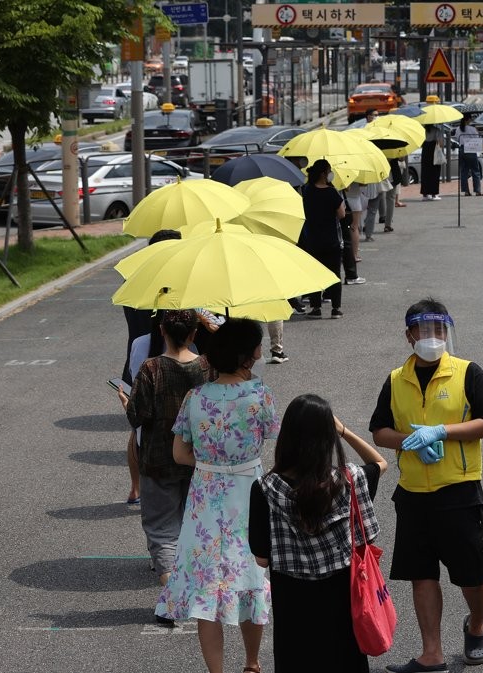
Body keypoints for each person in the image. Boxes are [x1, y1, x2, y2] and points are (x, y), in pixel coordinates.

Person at [369, 298, 483, 673]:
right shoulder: (397, 379)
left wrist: (442, 431)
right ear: (410, 335)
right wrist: (409, 442)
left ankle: (476, 624)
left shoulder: (467, 373)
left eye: (439, 330)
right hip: (412, 492)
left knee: (472, 575)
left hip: (458, 489)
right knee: (421, 572)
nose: (433, 337)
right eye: (425, 331)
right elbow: (379, 431)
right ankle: (433, 654)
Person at [156, 319, 278, 673]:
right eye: (257, 345)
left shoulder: (196, 397)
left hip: (205, 499)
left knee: (206, 588)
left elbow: (180, 454)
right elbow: (276, 440)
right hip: (249, 494)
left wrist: (210, 465)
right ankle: (252, 664)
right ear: (248, 355)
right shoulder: (260, 395)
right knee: (250, 578)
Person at [249, 394, 388, 672]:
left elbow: (262, 559)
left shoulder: (265, 489)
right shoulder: (349, 479)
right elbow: (380, 463)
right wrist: (344, 431)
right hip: (344, 599)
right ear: (328, 437)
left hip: (294, 607)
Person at [123, 310, 211, 610]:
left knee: (162, 530)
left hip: (158, 459)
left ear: (162, 331)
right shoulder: (205, 367)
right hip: (197, 458)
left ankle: (174, 596)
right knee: (193, 525)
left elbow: (138, 415)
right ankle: (194, 588)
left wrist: (126, 402)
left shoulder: (151, 368)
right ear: (194, 334)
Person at [120, 228, 182, 504]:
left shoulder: (135, 282)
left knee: (139, 429)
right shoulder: (178, 287)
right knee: (179, 427)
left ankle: (136, 488)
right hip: (171, 362)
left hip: (136, 358)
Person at [299, 159, 347, 319]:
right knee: (334, 274)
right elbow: (341, 215)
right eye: (329, 170)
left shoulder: (306, 190)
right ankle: (336, 308)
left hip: (311, 238)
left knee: (314, 273)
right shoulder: (332, 192)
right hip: (331, 239)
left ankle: (316, 307)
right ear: (323, 173)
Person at [454, 113, 483, 196]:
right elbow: (477, 138)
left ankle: (466, 191)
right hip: (470, 149)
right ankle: (477, 191)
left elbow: (456, 138)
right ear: (468, 119)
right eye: (470, 119)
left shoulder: (458, 128)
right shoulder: (472, 129)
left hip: (462, 149)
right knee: (475, 170)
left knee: (464, 171)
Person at [421, 121, 444, 201]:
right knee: (435, 172)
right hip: (433, 151)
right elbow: (440, 143)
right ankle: (434, 194)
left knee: (425, 172)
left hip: (425, 151)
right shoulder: (437, 130)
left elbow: (420, 143)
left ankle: (425, 194)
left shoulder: (423, 130)